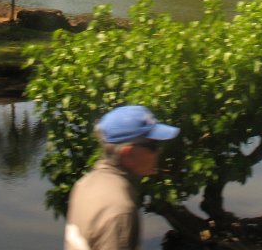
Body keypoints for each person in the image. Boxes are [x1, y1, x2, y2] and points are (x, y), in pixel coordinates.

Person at [64, 105, 180, 250]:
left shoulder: (84, 184)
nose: (159, 151)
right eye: (153, 146)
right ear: (128, 153)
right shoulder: (120, 212)